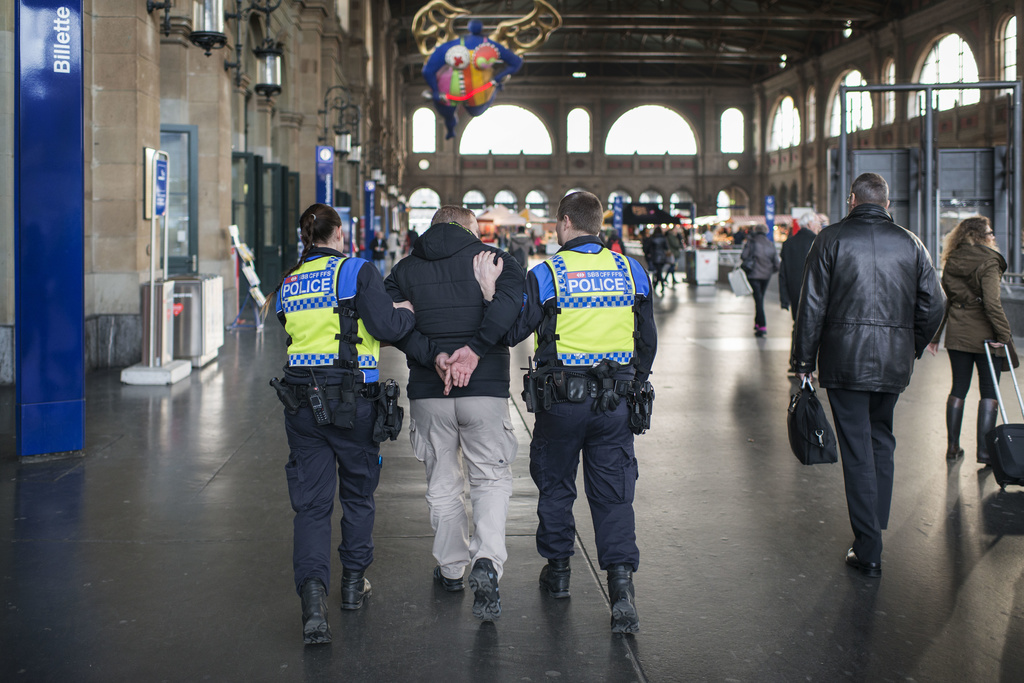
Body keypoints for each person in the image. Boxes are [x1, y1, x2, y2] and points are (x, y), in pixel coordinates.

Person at [459, 190, 657, 633]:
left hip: (563, 400)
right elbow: (647, 340)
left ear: (565, 223)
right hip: (617, 401)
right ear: (599, 223)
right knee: (614, 493)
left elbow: (513, 332)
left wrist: (491, 293)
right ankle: (621, 591)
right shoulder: (632, 271)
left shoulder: (548, 273)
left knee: (555, 486)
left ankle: (560, 573)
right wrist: (634, 380)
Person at [267, 204, 416, 644]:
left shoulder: (289, 280)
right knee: (358, 494)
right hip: (353, 402)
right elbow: (386, 325)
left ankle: (313, 603)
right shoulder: (356, 271)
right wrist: (404, 310)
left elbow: (290, 328)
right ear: (338, 234)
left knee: (311, 505)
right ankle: (352, 586)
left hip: (300, 403)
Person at [792, 173, 944, 578]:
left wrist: (804, 363)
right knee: (882, 441)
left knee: (857, 450)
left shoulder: (830, 239)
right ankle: (874, 527)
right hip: (894, 363)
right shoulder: (911, 242)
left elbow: (811, 307)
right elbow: (935, 303)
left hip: (844, 363)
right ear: (887, 204)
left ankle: (868, 547)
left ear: (852, 200)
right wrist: (910, 344)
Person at [384, 205, 525, 622]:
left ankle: (450, 568)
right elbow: (513, 318)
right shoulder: (499, 261)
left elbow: (395, 327)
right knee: (490, 477)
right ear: (471, 229)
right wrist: (474, 350)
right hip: (484, 391)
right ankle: (487, 563)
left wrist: (437, 358)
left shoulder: (402, 271)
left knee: (443, 482)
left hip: (430, 393)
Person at [926, 216, 1015, 464]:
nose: (993, 236)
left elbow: (946, 302)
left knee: (958, 388)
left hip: (958, 334)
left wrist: (936, 337)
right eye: (989, 232)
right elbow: (992, 303)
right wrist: (1004, 336)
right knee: (989, 392)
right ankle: (985, 452)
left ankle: (953, 447)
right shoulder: (989, 260)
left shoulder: (952, 260)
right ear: (978, 235)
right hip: (987, 337)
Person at [779, 213, 822, 320]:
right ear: (810, 224)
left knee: (797, 322)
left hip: (794, 292)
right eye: (817, 223)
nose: (819, 226)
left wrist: (784, 299)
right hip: (816, 292)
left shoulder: (788, 243)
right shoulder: (818, 241)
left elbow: (783, 273)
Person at [740, 224, 780, 337]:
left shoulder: (751, 242)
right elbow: (777, 264)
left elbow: (743, 256)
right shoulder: (770, 244)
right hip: (766, 276)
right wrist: (768, 271)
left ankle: (762, 326)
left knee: (758, 300)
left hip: (753, 275)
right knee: (759, 298)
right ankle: (757, 323)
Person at [642, 226, 670, 294]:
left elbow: (647, 248)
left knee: (657, 272)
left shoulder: (652, 238)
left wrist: (648, 254)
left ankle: (657, 285)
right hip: (662, 257)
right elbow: (666, 248)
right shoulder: (663, 238)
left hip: (654, 257)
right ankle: (657, 285)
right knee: (659, 272)